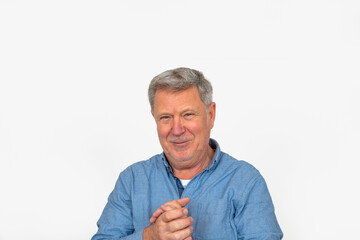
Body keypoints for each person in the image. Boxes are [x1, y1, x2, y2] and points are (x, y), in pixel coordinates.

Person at [91, 67, 283, 240]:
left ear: (211, 115)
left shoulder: (246, 182)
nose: (176, 129)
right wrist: (150, 236)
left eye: (188, 115)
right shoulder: (131, 180)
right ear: (154, 119)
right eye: (166, 117)